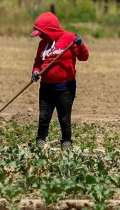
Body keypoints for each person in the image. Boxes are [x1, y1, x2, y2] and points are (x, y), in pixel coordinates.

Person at [30, 11, 89, 151]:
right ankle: (40, 142)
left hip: (65, 87)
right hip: (46, 87)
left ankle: (66, 143)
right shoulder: (43, 44)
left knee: (64, 118)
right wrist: (35, 72)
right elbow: (37, 62)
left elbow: (84, 57)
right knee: (44, 117)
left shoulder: (70, 38)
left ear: (50, 29)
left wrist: (81, 45)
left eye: (43, 33)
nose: (41, 36)